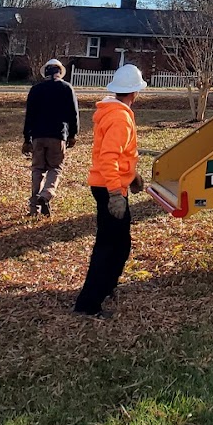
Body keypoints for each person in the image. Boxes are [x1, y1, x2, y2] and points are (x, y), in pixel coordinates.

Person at [74, 62, 147, 318]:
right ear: (134, 93)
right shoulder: (119, 117)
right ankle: (88, 303)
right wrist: (116, 193)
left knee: (120, 243)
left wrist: (132, 175)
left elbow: (119, 154)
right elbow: (108, 157)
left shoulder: (113, 111)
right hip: (109, 188)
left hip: (109, 184)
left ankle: (107, 286)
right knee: (109, 246)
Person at [22, 58, 80, 216]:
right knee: (55, 168)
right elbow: (73, 114)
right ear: (60, 72)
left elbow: (29, 116)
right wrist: (73, 134)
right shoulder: (67, 88)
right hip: (57, 135)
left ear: (45, 72)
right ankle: (46, 195)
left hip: (38, 135)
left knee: (37, 169)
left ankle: (34, 207)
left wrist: (27, 138)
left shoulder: (35, 89)